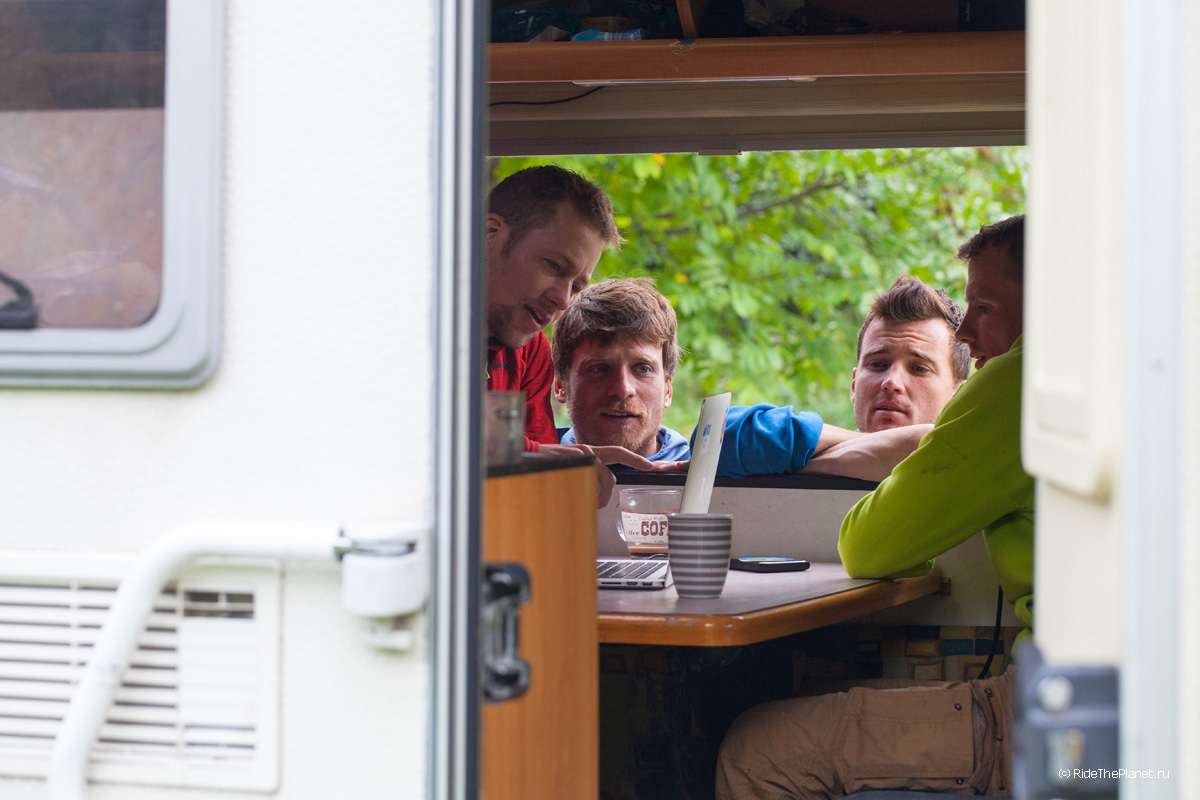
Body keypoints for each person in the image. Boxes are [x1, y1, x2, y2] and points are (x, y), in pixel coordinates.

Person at [715, 215, 1030, 799]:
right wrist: (858, 444)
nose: (968, 333)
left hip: (1042, 705)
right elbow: (725, 436)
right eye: (878, 365)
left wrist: (898, 446)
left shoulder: (1020, 383)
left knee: (754, 752)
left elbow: (868, 547)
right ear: (852, 379)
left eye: (983, 308)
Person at [715, 276, 970, 481]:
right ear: (853, 384)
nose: (891, 382)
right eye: (878, 364)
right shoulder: (816, 446)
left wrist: (799, 463)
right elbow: (717, 434)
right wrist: (891, 448)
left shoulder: (976, 471)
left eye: (919, 368)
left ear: (957, 397)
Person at [484, 165, 622, 451]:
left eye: (576, 287)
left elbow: (525, 465)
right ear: (490, 234)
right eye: (554, 266)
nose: (563, 300)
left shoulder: (530, 351)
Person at [550, 278, 691, 462]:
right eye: (600, 369)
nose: (623, 390)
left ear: (668, 390)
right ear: (561, 385)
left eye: (643, 369)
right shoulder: (527, 471)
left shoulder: (707, 472)